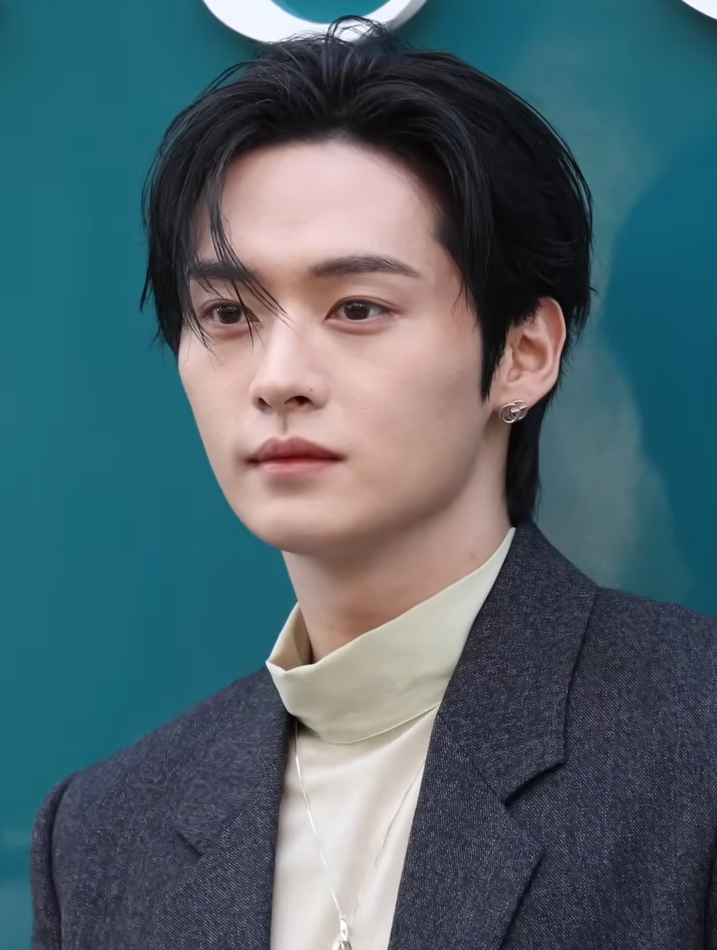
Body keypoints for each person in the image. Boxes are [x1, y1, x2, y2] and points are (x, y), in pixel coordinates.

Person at [30, 17, 717, 950]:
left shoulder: (691, 744)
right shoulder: (101, 836)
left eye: (357, 307)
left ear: (523, 353)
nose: (278, 378)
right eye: (227, 313)